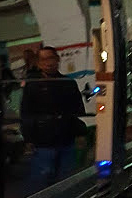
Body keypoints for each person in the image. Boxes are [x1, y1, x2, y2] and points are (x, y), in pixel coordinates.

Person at [21, 46, 86, 185]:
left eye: (51, 58)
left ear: (57, 60)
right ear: (38, 63)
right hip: (43, 141)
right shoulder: (33, 85)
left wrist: (79, 133)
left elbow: (76, 111)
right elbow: (26, 113)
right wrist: (29, 139)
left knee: (67, 179)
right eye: (43, 59)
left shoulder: (68, 83)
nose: (48, 63)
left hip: (66, 139)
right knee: (41, 180)